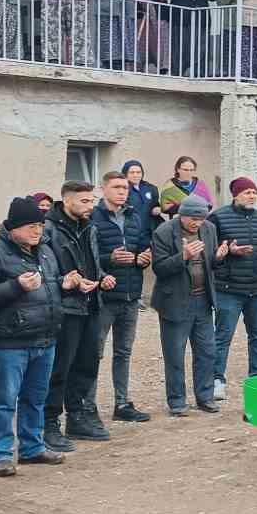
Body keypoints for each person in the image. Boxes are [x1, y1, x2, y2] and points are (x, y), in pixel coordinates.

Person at [0, 196, 67, 474]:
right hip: (9, 342)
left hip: (45, 338)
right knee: (4, 400)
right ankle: (0, 454)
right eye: (32, 225)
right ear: (14, 228)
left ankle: (32, 448)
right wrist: (16, 286)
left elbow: (50, 286)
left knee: (35, 398)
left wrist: (65, 284)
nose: (38, 230)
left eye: (41, 225)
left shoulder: (45, 250)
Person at [42, 181, 111, 451]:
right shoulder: (49, 229)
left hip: (91, 304)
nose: (90, 206)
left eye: (92, 201)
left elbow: (91, 261)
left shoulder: (89, 227)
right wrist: (66, 281)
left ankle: (77, 416)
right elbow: (45, 270)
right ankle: (49, 423)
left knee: (87, 364)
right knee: (60, 368)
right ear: (66, 201)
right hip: (65, 308)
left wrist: (101, 278)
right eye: (84, 201)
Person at [90, 171, 153, 423]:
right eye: (116, 187)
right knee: (94, 353)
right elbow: (88, 258)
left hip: (130, 295)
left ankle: (122, 403)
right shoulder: (93, 219)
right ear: (103, 189)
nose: (121, 191)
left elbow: (140, 248)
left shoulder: (134, 217)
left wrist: (142, 259)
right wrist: (109, 260)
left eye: (125, 188)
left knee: (124, 352)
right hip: (104, 297)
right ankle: (87, 405)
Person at [150, 195, 220, 415]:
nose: (196, 223)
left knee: (207, 351)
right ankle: (177, 401)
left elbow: (211, 262)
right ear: (182, 214)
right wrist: (184, 256)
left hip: (203, 300)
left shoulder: (209, 229)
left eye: (200, 218)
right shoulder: (163, 232)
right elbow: (159, 268)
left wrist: (220, 257)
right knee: (175, 354)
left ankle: (205, 397)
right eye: (192, 218)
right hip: (175, 301)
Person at [209, 176, 257, 396]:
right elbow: (211, 253)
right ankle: (216, 380)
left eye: (253, 192)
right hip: (229, 288)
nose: (251, 196)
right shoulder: (218, 218)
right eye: (247, 192)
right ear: (235, 195)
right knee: (222, 337)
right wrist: (230, 252)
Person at [165, 0, 215, 78]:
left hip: (200, 19)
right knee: (180, 46)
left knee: (201, 47)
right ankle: (178, 74)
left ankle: (199, 74)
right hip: (181, 18)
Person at [214, 0, 239, 76]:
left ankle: (237, 73)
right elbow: (220, 2)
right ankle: (225, 72)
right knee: (227, 49)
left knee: (238, 50)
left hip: (241, 23)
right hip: (228, 23)